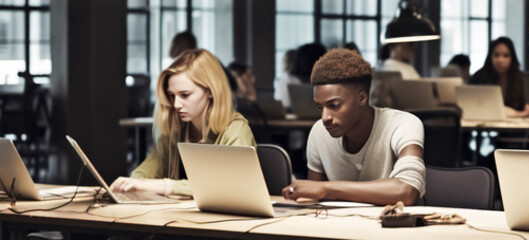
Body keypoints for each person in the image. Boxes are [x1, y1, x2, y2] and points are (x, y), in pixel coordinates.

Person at [282, 48, 425, 205]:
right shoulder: (318, 132)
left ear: (362, 98)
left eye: (334, 105)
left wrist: (326, 189)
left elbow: (407, 191)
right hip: (341, 227)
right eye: (319, 107)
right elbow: (312, 202)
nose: (325, 118)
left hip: (393, 227)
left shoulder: (403, 124)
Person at [111, 49, 256, 196]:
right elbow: (144, 172)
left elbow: (229, 185)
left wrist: (164, 186)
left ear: (211, 91)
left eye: (185, 95)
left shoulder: (236, 130)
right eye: (172, 95)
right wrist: (129, 185)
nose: (176, 104)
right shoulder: (176, 130)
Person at [469, 37, 529, 118]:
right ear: (490, 57)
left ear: (512, 58)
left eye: (506, 55)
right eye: (496, 55)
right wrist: (522, 114)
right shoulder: (480, 76)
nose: (500, 60)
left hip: (515, 127)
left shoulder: (521, 78)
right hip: (483, 122)